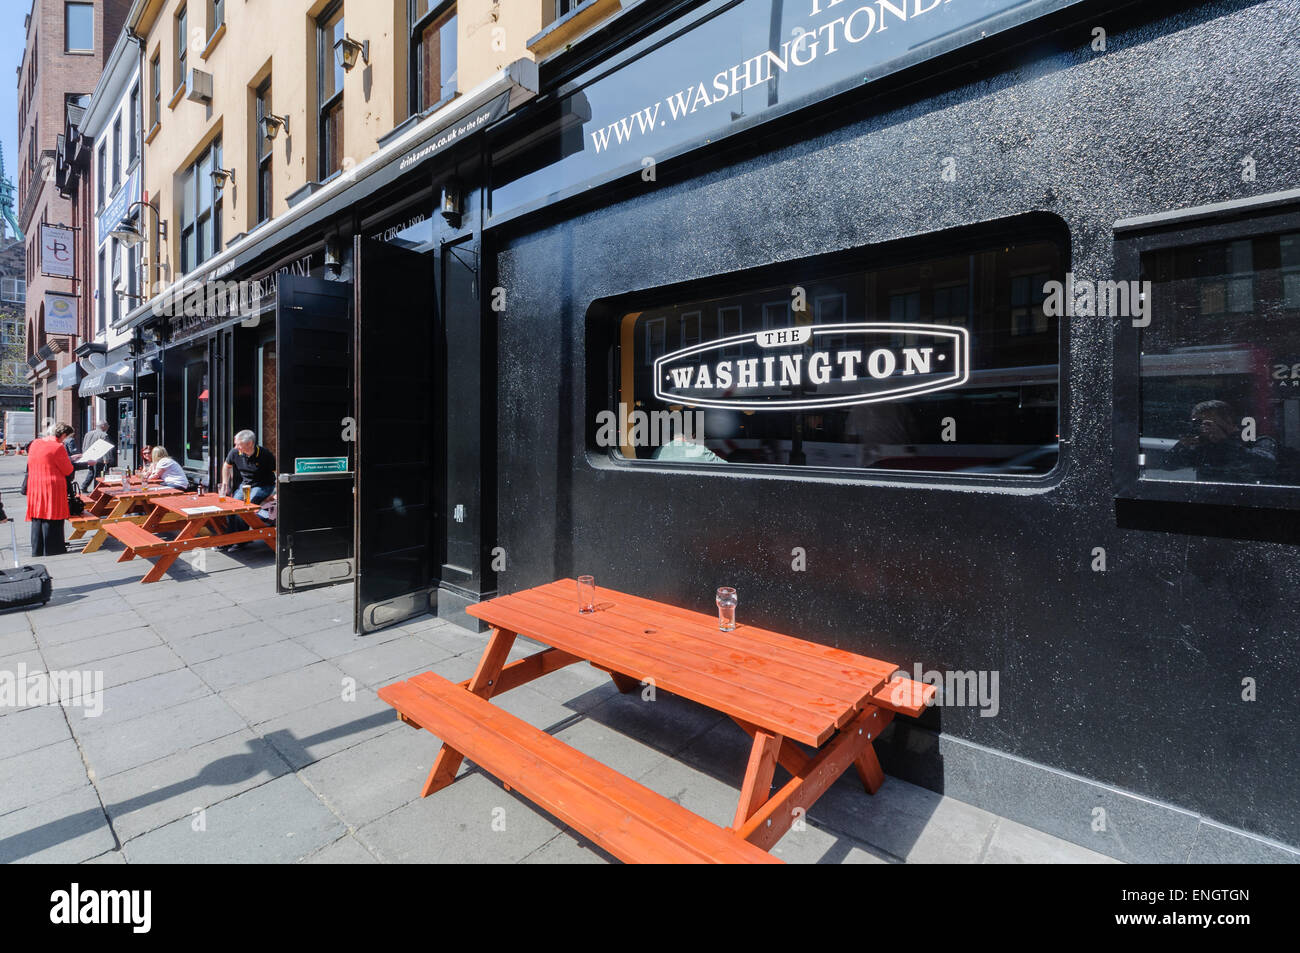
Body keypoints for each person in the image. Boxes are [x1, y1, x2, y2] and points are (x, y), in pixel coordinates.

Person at [1165, 399, 1278, 482]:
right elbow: (1167, 465)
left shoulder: (1252, 439)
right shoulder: (1203, 444)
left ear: (1228, 420)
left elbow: (1266, 464)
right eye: (1197, 424)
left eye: (1206, 423)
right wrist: (1183, 445)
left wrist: (1224, 442)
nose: (1201, 428)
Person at [220, 430, 276, 547]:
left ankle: (242, 540)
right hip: (246, 485)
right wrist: (225, 484)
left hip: (263, 485)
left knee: (245, 507)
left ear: (249, 443)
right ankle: (230, 537)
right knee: (232, 506)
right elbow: (226, 466)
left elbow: (278, 473)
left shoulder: (265, 454)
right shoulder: (235, 452)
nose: (236, 447)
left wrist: (276, 493)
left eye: (238, 444)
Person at [26, 423, 75, 556]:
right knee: (52, 516)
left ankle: (37, 549)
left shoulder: (35, 443)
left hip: (35, 485)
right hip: (52, 487)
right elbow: (68, 470)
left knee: (38, 516)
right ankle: (53, 549)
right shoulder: (58, 447)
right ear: (63, 435)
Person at [78, 421, 115, 492]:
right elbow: (105, 448)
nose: (108, 427)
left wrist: (84, 456)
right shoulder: (104, 435)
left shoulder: (88, 434)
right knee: (98, 474)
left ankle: (84, 486)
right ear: (103, 426)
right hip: (98, 458)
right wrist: (106, 459)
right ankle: (97, 489)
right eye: (107, 425)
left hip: (89, 457)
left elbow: (84, 446)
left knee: (91, 472)